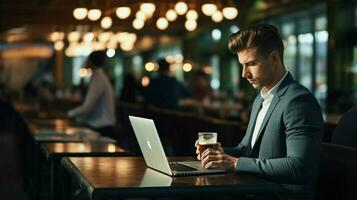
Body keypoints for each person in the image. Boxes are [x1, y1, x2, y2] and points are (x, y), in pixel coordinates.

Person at [195, 24, 324, 199]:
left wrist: (236, 164)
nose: (244, 73)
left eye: (251, 64)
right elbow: (246, 149)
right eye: (242, 65)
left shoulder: (298, 101)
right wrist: (220, 154)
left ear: (274, 58)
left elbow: (299, 167)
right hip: (256, 189)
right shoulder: (260, 98)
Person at [68, 50, 116, 139]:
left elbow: (87, 106)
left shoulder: (99, 78)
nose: (86, 61)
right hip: (101, 125)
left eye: (88, 59)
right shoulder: (98, 77)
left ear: (91, 61)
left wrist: (69, 114)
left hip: (102, 127)